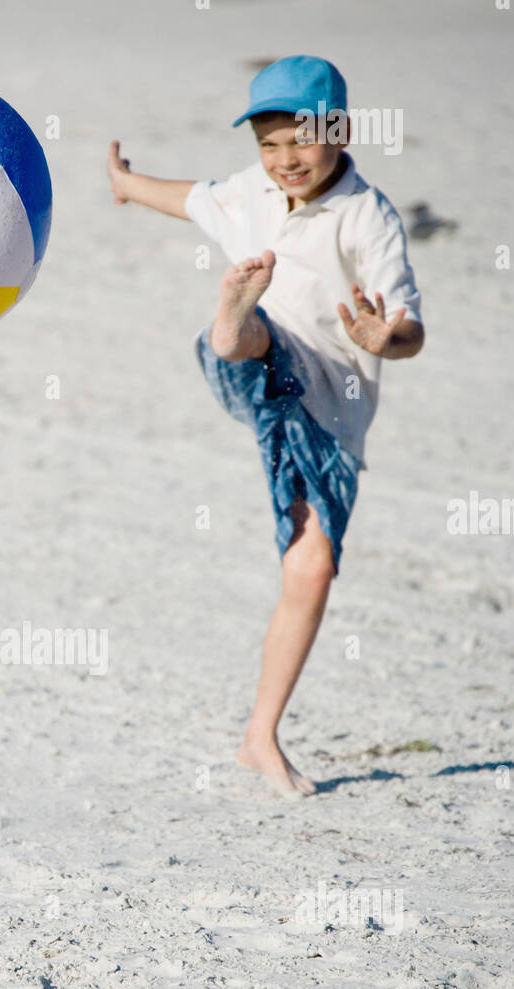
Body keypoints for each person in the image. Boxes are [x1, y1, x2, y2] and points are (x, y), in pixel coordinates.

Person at [107, 55, 425, 796]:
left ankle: (260, 737)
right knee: (248, 339)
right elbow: (192, 197)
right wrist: (127, 184)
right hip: (249, 363)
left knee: (311, 568)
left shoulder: (366, 217)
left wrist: (388, 341)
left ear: (339, 132)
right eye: (268, 145)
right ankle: (233, 319)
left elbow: (410, 325)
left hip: (327, 410)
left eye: (300, 141)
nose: (284, 160)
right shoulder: (248, 193)